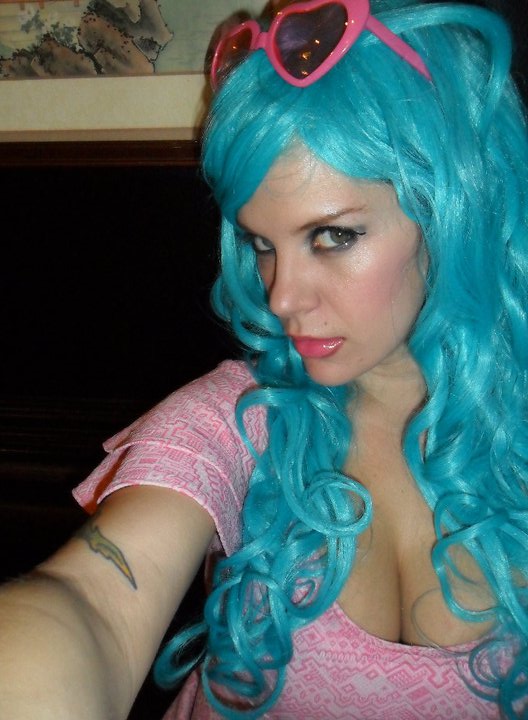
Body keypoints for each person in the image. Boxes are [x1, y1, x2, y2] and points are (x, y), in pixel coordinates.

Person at [1, 0, 527, 718]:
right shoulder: (241, 418)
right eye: (261, 244)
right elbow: (91, 602)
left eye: (333, 236)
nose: (281, 297)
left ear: (457, 211)